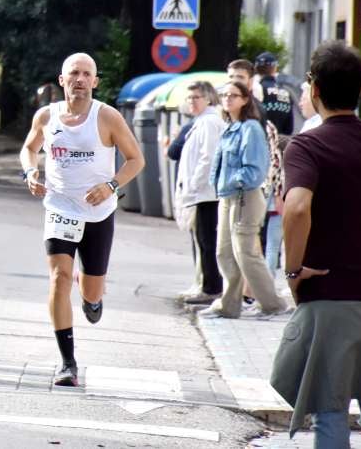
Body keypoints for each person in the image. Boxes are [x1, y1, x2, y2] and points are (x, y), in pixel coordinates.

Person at [270, 41, 361, 446]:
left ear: (313, 91)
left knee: (330, 412)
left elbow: (296, 208)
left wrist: (294, 270)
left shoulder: (308, 145)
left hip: (331, 297)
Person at [19, 53, 144, 388]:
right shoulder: (47, 116)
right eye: (73, 73)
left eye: (86, 74)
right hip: (60, 209)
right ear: (62, 80)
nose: (79, 79)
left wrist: (111, 185)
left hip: (98, 214)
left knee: (90, 289)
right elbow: (29, 149)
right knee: (59, 278)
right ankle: (67, 363)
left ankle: (92, 297)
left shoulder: (108, 117)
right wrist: (31, 170)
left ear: (95, 81)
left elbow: (136, 159)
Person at [201, 81, 287, 319]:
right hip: (228, 196)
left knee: (246, 253)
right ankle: (229, 305)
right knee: (224, 252)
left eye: (233, 95)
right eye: (224, 94)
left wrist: (233, 182)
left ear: (245, 99)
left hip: (244, 197)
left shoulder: (251, 128)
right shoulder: (231, 126)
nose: (227, 99)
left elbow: (255, 169)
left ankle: (274, 305)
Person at [174, 82, 226, 305]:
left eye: (196, 97)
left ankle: (212, 288)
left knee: (207, 241)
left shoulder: (209, 122)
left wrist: (194, 185)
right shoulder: (201, 122)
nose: (192, 101)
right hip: (200, 192)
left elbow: (208, 157)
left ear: (208, 98)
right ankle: (205, 284)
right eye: (189, 98)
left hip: (206, 193)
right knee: (201, 240)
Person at [254, 53, 294, 136]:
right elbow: (289, 128)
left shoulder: (256, 89)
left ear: (256, 68)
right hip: (279, 142)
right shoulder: (286, 93)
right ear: (275, 68)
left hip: (260, 139)